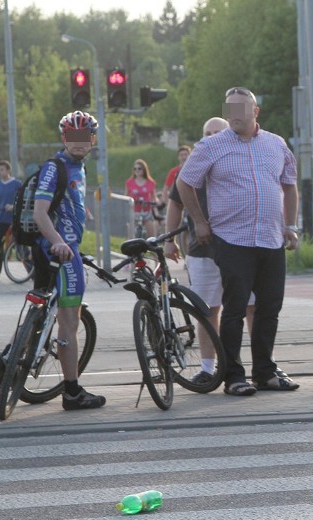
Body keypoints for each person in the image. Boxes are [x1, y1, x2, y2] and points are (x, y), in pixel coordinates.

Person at [177, 86, 300, 397]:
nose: (235, 115)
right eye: (230, 108)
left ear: (255, 112)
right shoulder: (211, 146)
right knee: (234, 309)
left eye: (241, 109)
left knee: (268, 309)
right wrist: (200, 222)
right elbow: (184, 183)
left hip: (271, 239)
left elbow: (290, 185)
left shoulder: (276, 144)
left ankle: (265, 372)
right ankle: (232, 375)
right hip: (232, 239)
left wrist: (291, 226)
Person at [0, 111, 105, 409]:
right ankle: (72, 392)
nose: (79, 143)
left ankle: (9, 357)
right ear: (64, 138)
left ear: (92, 140)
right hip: (59, 252)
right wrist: (60, 243)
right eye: (72, 137)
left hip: (50, 250)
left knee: (40, 305)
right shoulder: (57, 167)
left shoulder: (77, 168)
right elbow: (41, 212)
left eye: (85, 137)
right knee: (69, 321)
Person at [164, 117, 255, 385]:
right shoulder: (191, 166)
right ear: (201, 138)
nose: (212, 136)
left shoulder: (240, 161)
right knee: (206, 310)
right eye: (208, 133)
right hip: (202, 250)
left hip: (242, 249)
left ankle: (260, 365)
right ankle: (207, 367)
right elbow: (175, 204)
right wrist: (169, 241)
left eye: (218, 132)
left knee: (251, 307)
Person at [0, 160, 22, 275]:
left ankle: (31, 271)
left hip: (12, 220)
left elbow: (24, 201)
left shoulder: (17, 184)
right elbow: (0, 200)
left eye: (2, 169)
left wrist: (14, 206)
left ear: (8, 170)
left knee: (22, 245)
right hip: (0, 218)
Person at [125, 159, 160, 237]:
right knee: (131, 234)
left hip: (147, 210)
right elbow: (126, 196)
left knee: (151, 235)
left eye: (139, 168)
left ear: (144, 169)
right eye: (135, 169)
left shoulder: (151, 182)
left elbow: (154, 197)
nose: (137, 170)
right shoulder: (129, 182)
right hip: (135, 211)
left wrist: (156, 203)